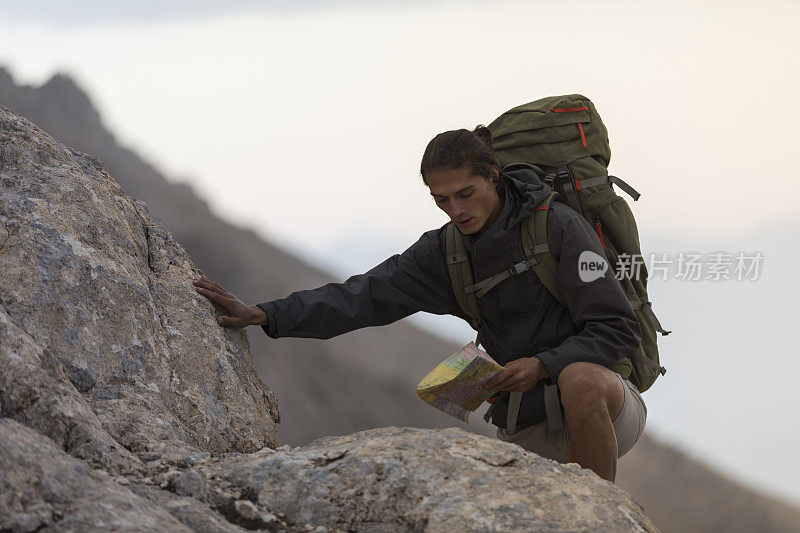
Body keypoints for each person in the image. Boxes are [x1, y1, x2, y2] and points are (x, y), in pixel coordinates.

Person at [192, 125, 646, 483]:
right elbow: (362, 296)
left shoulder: (559, 228)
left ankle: (603, 514)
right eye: (441, 199)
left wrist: (544, 364)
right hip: (528, 425)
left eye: (465, 194)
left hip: (606, 411)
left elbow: (617, 329)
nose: (455, 210)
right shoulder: (443, 253)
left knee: (578, 377)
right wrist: (267, 314)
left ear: (493, 175)